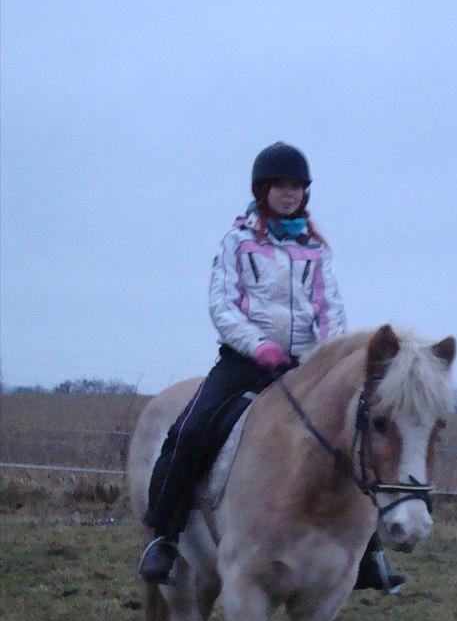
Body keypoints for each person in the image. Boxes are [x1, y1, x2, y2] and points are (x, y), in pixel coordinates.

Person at [139, 142, 404, 593]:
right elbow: (222, 304)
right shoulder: (237, 241)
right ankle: (164, 535)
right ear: (263, 190)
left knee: (354, 434)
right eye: (281, 186)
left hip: (305, 366)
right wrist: (257, 346)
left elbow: (330, 308)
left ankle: (368, 553)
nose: (289, 193)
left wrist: (328, 356)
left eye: (297, 186)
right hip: (246, 362)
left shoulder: (316, 249)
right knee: (191, 431)